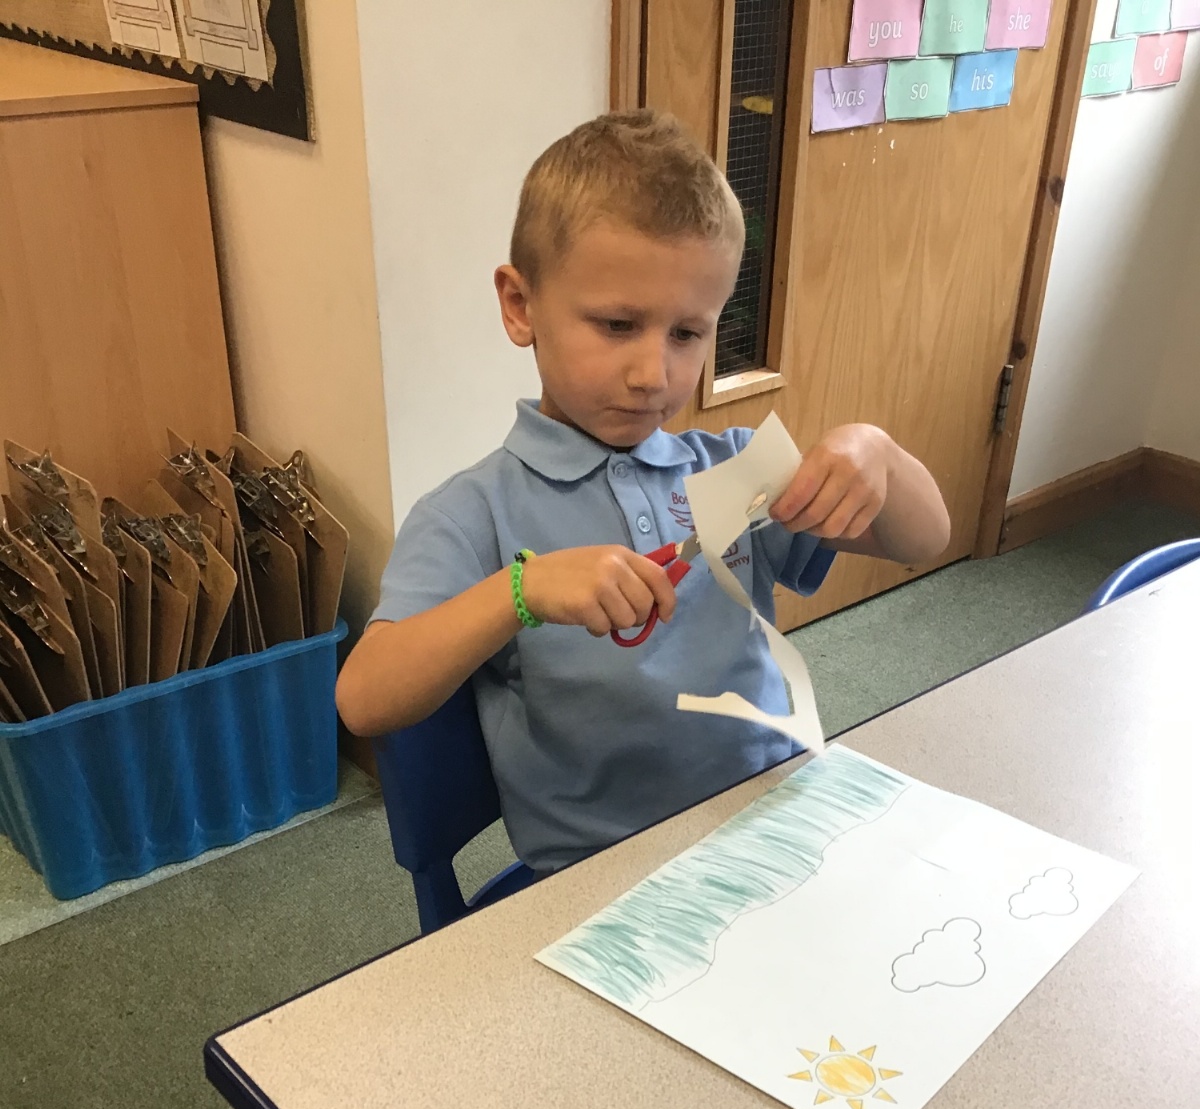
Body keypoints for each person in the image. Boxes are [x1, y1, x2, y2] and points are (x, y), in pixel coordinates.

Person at [336, 110, 950, 874]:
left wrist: (878, 454)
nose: (654, 374)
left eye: (687, 334)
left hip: (775, 823)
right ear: (521, 306)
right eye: (618, 325)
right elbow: (364, 698)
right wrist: (521, 592)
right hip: (603, 880)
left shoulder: (734, 468)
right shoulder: (472, 513)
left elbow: (926, 538)